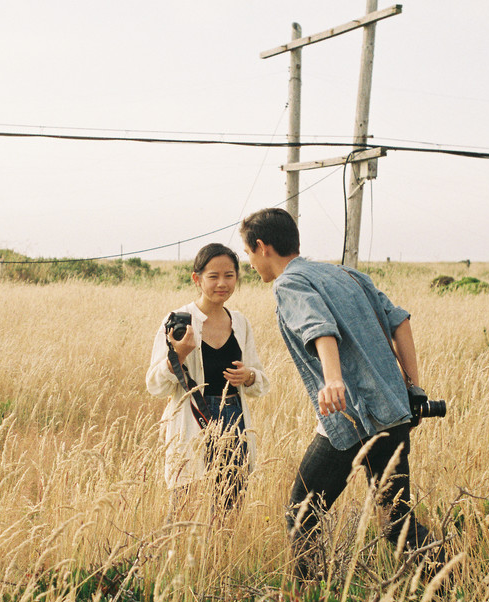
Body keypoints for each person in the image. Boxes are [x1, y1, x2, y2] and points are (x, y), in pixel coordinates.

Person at [240, 207, 433, 578]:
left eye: (248, 254)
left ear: (263, 247)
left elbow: (319, 328)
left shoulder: (289, 283)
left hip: (350, 415)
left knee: (302, 511)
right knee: (397, 521)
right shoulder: (347, 274)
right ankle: (447, 584)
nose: (251, 263)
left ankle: (310, 599)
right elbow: (401, 322)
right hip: (393, 411)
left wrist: (333, 380)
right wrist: (414, 387)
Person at [146, 242, 270, 516]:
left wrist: (248, 377)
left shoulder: (240, 322)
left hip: (234, 418)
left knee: (229, 506)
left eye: (229, 275)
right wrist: (178, 354)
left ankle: (221, 555)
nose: (222, 283)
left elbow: (260, 381)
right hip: (192, 419)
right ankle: (179, 557)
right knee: (184, 506)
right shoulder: (179, 320)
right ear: (197, 279)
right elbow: (154, 384)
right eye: (213, 276)